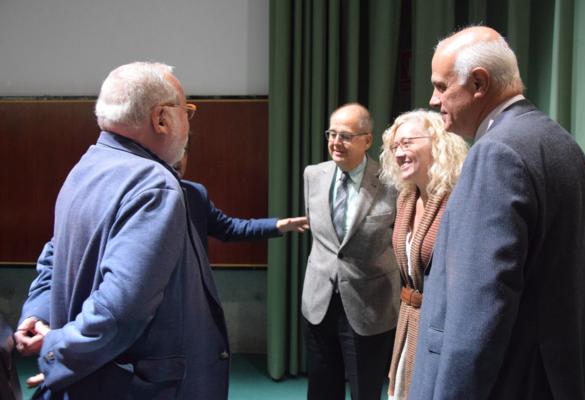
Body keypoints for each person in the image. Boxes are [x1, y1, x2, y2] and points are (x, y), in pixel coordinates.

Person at [14, 61, 230, 399]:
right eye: (186, 111)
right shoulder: (154, 184)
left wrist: (37, 312)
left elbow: (54, 256)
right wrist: (58, 350)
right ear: (161, 118)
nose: (189, 122)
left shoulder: (86, 167)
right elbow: (120, 310)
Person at [410, 26, 585, 399]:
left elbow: (477, 313)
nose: (434, 100)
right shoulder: (563, 144)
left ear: (478, 83)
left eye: (441, 86)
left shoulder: (496, 154)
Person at [302, 103, 399, 400]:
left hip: (369, 305)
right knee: (321, 390)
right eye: (332, 134)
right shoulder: (313, 175)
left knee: (364, 392)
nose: (335, 142)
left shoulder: (392, 181)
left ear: (367, 140)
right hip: (319, 302)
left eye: (345, 136)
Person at [378, 110, 468, 400]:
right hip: (408, 324)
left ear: (439, 142)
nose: (398, 153)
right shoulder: (406, 198)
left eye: (407, 143)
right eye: (394, 147)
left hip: (443, 330)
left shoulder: (459, 199)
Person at [173, 143, 308, 250]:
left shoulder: (196, 193)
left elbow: (230, 228)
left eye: (184, 149)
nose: (179, 158)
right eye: (173, 148)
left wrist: (279, 225)